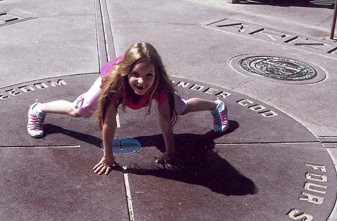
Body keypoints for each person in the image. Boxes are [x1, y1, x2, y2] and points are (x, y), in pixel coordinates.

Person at [27, 42, 228, 175]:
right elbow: (108, 123)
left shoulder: (160, 85)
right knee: (80, 110)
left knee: (181, 107)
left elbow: (165, 121)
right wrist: (108, 156)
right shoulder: (114, 83)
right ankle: (38, 108)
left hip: (150, 84)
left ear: (157, 73)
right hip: (114, 81)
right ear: (126, 72)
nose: (142, 82)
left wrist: (170, 151)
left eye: (149, 75)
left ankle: (217, 106)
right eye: (136, 75)